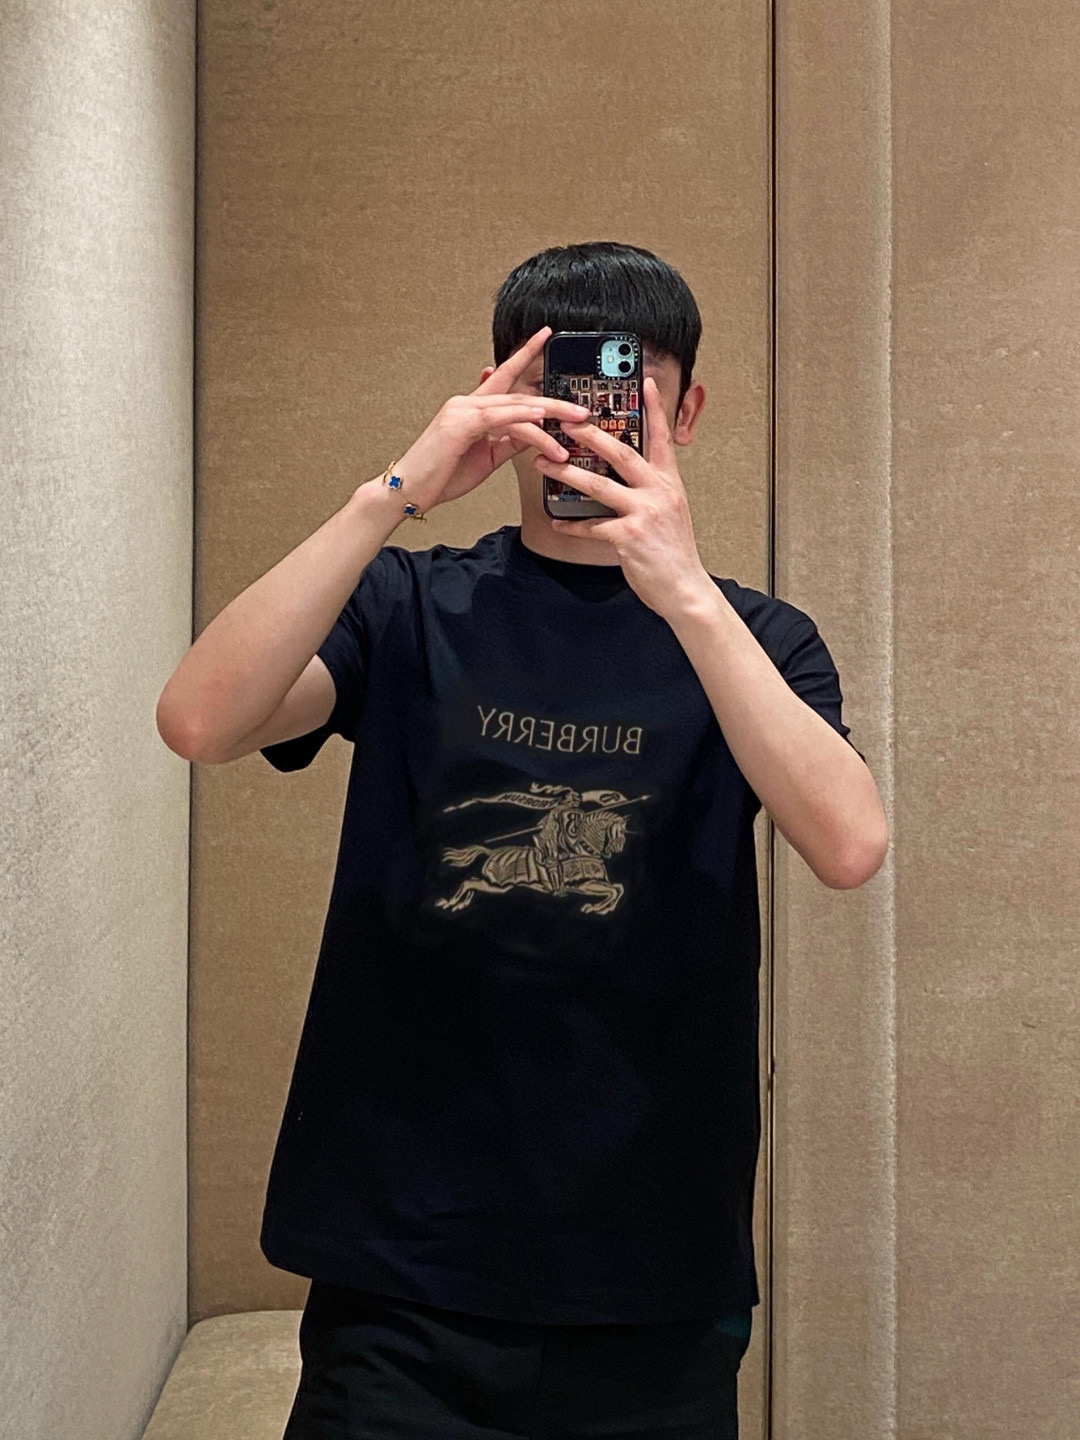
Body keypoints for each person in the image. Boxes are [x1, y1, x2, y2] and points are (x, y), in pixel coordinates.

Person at [156, 240, 888, 1439]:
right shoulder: (409, 605)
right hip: (401, 1260)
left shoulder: (757, 640)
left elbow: (849, 846)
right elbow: (200, 720)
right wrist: (394, 491)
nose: (585, 433)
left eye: (620, 399)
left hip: (651, 1263)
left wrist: (683, 588)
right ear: (502, 403)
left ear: (683, 413)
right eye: (557, 400)